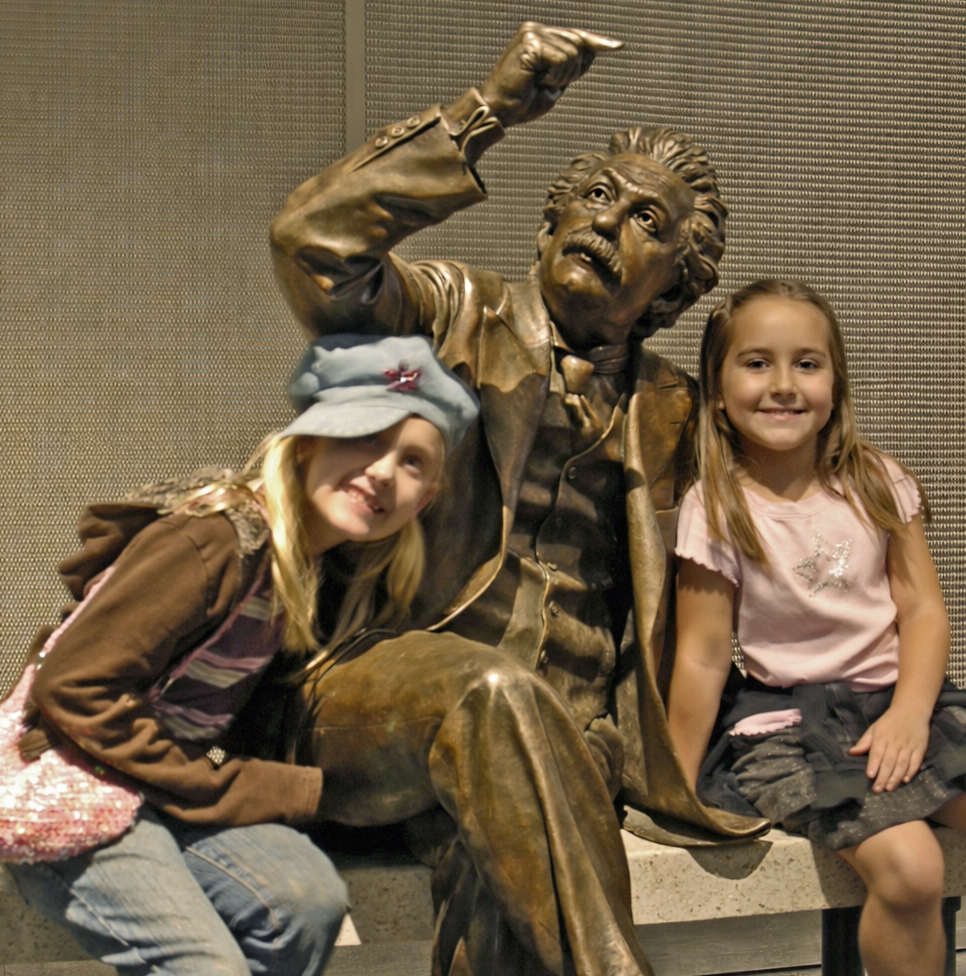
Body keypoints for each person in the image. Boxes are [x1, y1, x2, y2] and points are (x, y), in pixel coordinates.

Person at [269, 20, 765, 976]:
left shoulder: (676, 413)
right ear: (550, 219)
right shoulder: (449, 316)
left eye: (645, 223)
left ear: (671, 295)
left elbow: (776, 545)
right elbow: (312, 242)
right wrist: (486, 111)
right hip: (376, 707)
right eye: (593, 197)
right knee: (499, 702)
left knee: (503, 867)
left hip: (563, 746)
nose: (604, 224)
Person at [5, 333, 479, 976]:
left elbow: (223, 726)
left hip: (153, 790)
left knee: (305, 901)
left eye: (413, 461)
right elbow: (73, 686)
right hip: (74, 788)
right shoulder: (218, 539)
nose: (383, 470)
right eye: (367, 435)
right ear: (310, 439)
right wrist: (236, 785)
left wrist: (246, 775)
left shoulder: (311, 575)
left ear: (423, 502)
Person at [666, 278, 966, 976]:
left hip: (904, 706)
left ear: (836, 383)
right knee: (912, 869)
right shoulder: (715, 508)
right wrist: (675, 790)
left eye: (807, 363)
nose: (783, 384)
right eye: (756, 362)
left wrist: (912, 715)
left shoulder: (877, 482)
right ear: (716, 389)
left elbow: (923, 613)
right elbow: (704, 657)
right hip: (795, 729)